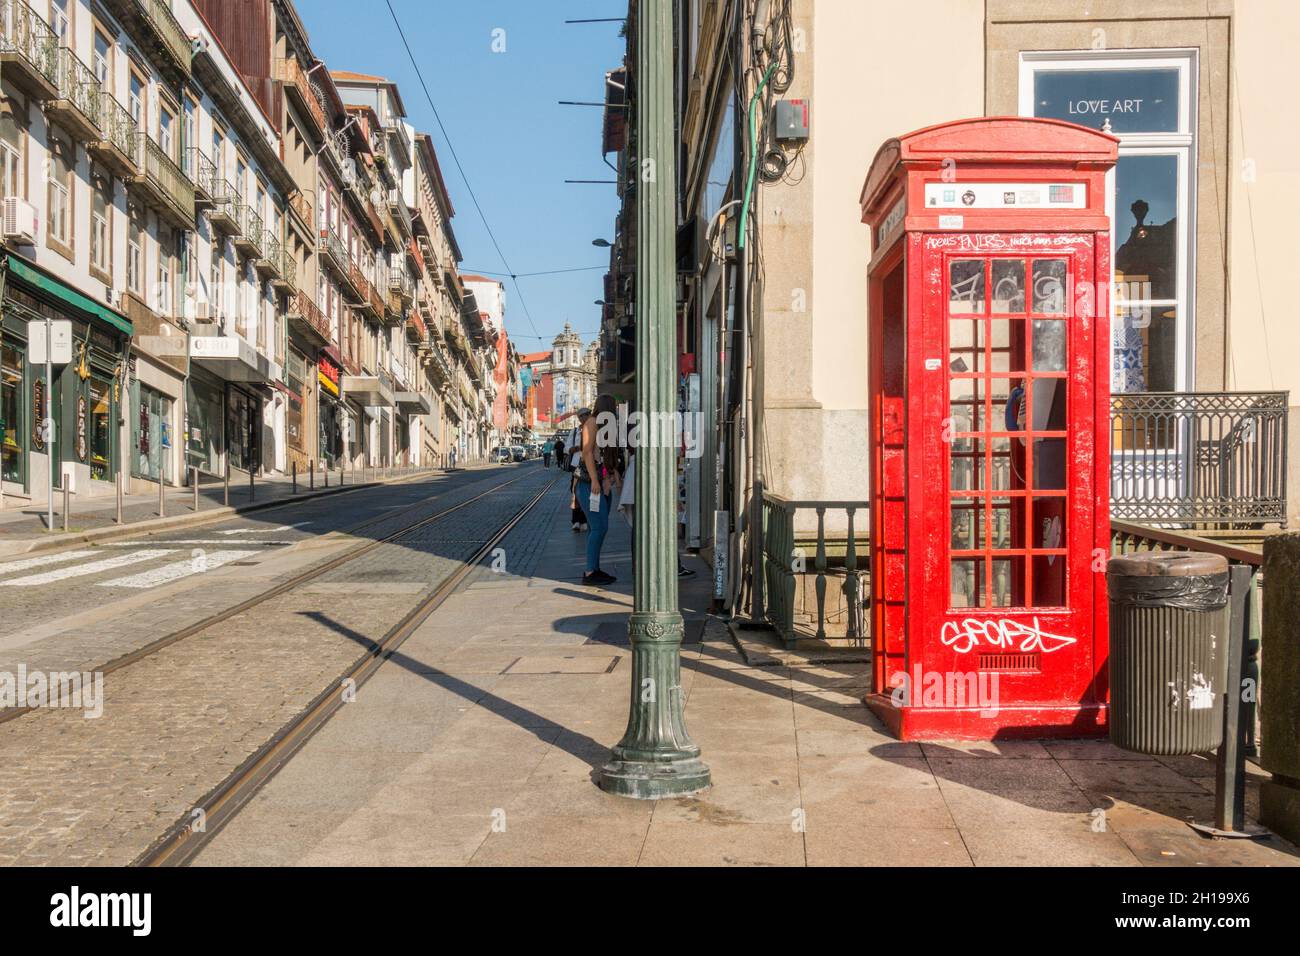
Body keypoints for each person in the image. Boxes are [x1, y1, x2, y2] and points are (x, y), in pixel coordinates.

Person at [576, 395, 623, 586]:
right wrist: (595, 480)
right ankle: (589, 572)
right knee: (599, 527)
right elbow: (587, 452)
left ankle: (593, 568)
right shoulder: (592, 422)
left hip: (602, 484)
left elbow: (603, 456)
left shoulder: (606, 426)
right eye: (614, 407)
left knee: (597, 527)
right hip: (589, 484)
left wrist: (613, 474)